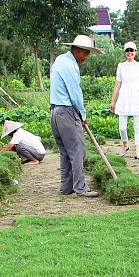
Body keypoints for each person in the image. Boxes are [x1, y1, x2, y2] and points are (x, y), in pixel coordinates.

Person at [49, 34, 102, 198]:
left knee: (66, 152)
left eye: (88, 53)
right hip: (67, 111)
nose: (86, 56)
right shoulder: (70, 66)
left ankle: (67, 187)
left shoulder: (60, 60)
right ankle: (80, 187)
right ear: (75, 49)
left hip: (55, 112)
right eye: (84, 52)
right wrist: (82, 113)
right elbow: (75, 94)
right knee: (78, 150)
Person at [109, 41, 139, 159]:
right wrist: (113, 101)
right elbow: (117, 84)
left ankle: (137, 151)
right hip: (124, 97)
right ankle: (125, 145)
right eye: (127, 51)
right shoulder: (121, 66)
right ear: (125, 52)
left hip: (136, 96)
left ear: (135, 52)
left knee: (137, 126)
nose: (129, 53)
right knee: (122, 127)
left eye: (132, 50)